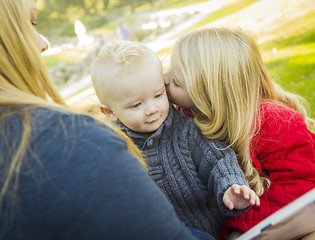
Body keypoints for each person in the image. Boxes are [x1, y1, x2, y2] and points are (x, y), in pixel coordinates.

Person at [0, 0, 214, 239]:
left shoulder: (186, 128)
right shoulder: (72, 143)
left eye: (158, 94)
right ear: (109, 111)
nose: (44, 42)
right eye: (30, 22)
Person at [90, 40, 260, 239]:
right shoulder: (116, 151)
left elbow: (218, 162)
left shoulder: (187, 133)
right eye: (136, 105)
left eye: (158, 95)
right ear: (110, 112)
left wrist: (231, 188)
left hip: (213, 231)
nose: (152, 109)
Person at [163, 27, 315, 239]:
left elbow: (301, 188)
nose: (165, 78)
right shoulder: (189, 115)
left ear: (213, 93)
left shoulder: (273, 123)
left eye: (176, 82)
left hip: (294, 207)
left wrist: (241, 226)